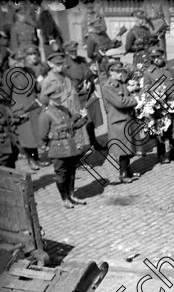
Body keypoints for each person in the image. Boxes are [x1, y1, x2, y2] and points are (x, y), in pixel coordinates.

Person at [39, 56, 90, 209]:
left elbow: (73, 125)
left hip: (69, 144)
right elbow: (42, 135)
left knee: (71, 171)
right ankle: (64, 198)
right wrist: (50, 143)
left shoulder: (64, 110)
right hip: (58, 147)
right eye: (55, 96)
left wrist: (83, 118)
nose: (58, 98)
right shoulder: (47, 113)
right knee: (61, 173)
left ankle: (72, 195)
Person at [101, 60, 139, 184]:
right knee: (123, 149)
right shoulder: (108, 87)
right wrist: (135, 100)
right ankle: (123, 174)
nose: (120, 74)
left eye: (121, 71)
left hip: (125, 118)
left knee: (128, 147)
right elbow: (120, 102)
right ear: (111, 72)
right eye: (118, 72)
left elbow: (126, 94)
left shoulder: (120, 83)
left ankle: (128, 171)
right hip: (118, 121)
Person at [62, 40, 104, 152]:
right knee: (78, 121)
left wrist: (92, 73)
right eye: (71, 51)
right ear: (66, 52)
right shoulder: (64, 65)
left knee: (90, 120)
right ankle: (78, 147)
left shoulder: (82, 60)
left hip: (88, 94)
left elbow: (89, 71)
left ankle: (93, 142)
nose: (74, 53)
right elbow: (67, 83)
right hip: (76, 96)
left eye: (75, 50)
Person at [143, 47, 174, 164]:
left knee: (173, 128)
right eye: (154, 58)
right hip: (158, 105)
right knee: (159, 130)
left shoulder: (170, 69)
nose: (156, 60)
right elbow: (146, 88)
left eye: (158, 57)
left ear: (163, 56)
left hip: (172, 103)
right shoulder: (148, 72)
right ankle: (161, 155)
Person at [10, 46, 46, 173]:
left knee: (34, 134)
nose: (22, 61)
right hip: (21, 107)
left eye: (23, 59)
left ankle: (36, 158)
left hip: (32, 105)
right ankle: (30, 160)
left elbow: (35, 86)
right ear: (14, 61)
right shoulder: (13, 74)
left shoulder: (28, 70)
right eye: (19, 60)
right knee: (25, 136)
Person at [0, 72, 19, 169]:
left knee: (11, 170)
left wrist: (16, 119)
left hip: (10, 144)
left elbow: (9, 119)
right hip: (1, 148)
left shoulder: (3, 102)